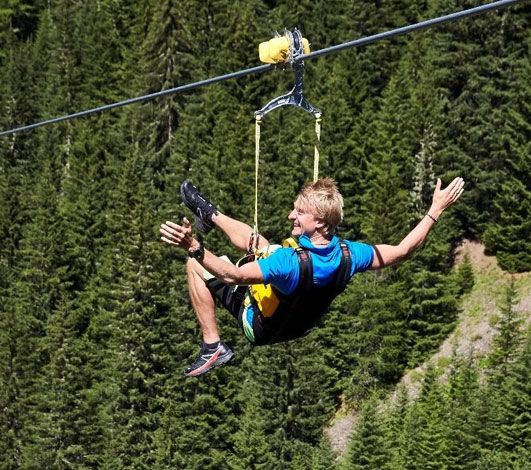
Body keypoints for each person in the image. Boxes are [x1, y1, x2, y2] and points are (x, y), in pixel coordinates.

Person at [160, 176, 465, 377]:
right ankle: (208, 213)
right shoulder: (349, 254)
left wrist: (194, 247)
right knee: (264, 245)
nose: (291, 216)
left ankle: (212, 346)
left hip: (261, 326)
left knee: (197, 267)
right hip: (297, 321)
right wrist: (435, 209)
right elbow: (402, 250)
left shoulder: (288, 263)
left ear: (318, 222)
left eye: (299, 213)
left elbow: (231, 274)